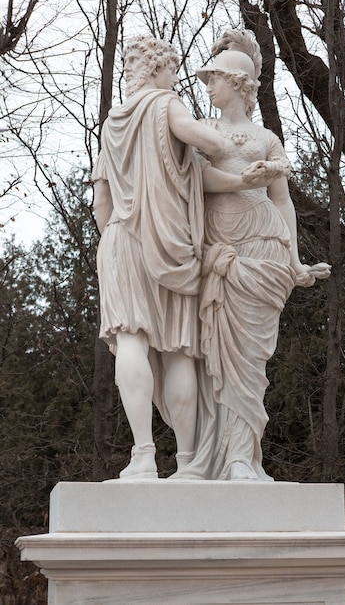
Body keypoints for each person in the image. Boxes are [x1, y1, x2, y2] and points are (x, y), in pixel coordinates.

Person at [92, 34, 267, 480]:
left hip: (119, 240)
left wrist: (116, 237)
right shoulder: (166, 105)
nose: (178, 78)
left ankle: (144, 455)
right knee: (178, 353)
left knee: (130, 340)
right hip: (169, 244)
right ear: (158, 69)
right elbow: (209, 141)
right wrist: (222, 148)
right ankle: (188, 460)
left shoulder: (112, 123)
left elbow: (101, 201)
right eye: (172, 69)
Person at [172, 30, 331, 481]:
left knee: (248, 360)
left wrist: (296, 260)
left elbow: (282, 202)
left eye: (215, 79)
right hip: (216, 250)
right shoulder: (200, 133)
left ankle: (242, 456)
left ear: (238, 84)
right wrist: (243, 180)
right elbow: (193, 184)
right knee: (213, 357)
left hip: (263, 250)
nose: (207, 86)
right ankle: (210, 457)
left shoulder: (266, 139)